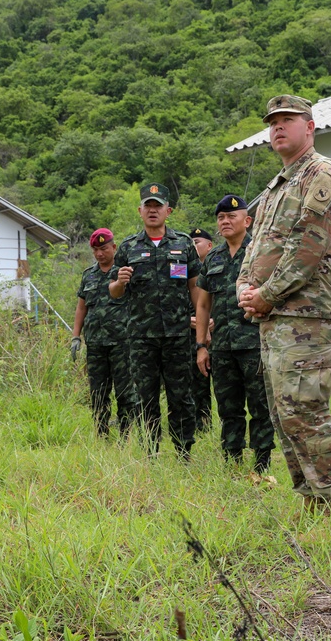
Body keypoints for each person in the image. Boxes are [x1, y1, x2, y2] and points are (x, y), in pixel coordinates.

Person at [237, 94, 331, 520]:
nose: (278, 128)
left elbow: (308, 248)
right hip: (274, 318)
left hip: (307, 313)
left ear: (310, 126)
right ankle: (312, 504)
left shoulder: (323, 174)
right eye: (273, 123)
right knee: (283, 413)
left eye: (288, 120)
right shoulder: (275, 186)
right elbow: (255, 249)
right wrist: (244, 287)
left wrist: (264, 295)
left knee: (304, 409)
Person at [110, 183, 203, 458]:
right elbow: (113, 292)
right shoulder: (128, 247)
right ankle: (150, 451)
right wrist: (120, 282)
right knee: (146, 397)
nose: (153, 211)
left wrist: (200, 317)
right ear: (140, 211)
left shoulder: (183, 243)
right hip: (142, 336)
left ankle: (183, 451)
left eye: (158, 206)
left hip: (177, 334)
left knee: (181, 395)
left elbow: (195, 286)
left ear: (168, 211)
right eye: (148, 206)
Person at [196, 195, 275, 473]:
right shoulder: (214, 257)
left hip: (256, 344)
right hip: (222, 347)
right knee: (228, 408)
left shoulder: (261, 252)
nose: (225, 221)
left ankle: (262, 464)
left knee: (260, 406)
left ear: (247, 220)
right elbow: (203, 304)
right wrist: (201, 345)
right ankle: (232, 463)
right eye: (220, 217)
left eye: (231, 216)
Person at [72, 228, 142, 439]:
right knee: (98, 393)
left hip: (122, 342)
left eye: (103, 249)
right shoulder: (89, 275)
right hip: (95, 344)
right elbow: (81, 307)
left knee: (125, 392)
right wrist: (76, 336)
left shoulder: (125, 272)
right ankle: (102, 434)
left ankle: (125, 435)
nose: (99, 254)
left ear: (114, 247)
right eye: (95, 250)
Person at [189, 227, 215, 434]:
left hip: (221, 332)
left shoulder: (218, 265)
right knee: (198, 381)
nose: (193, 246)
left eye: (197, 241)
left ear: (209, 245)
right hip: (193, 334)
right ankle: (202, 425)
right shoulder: (183, 268)